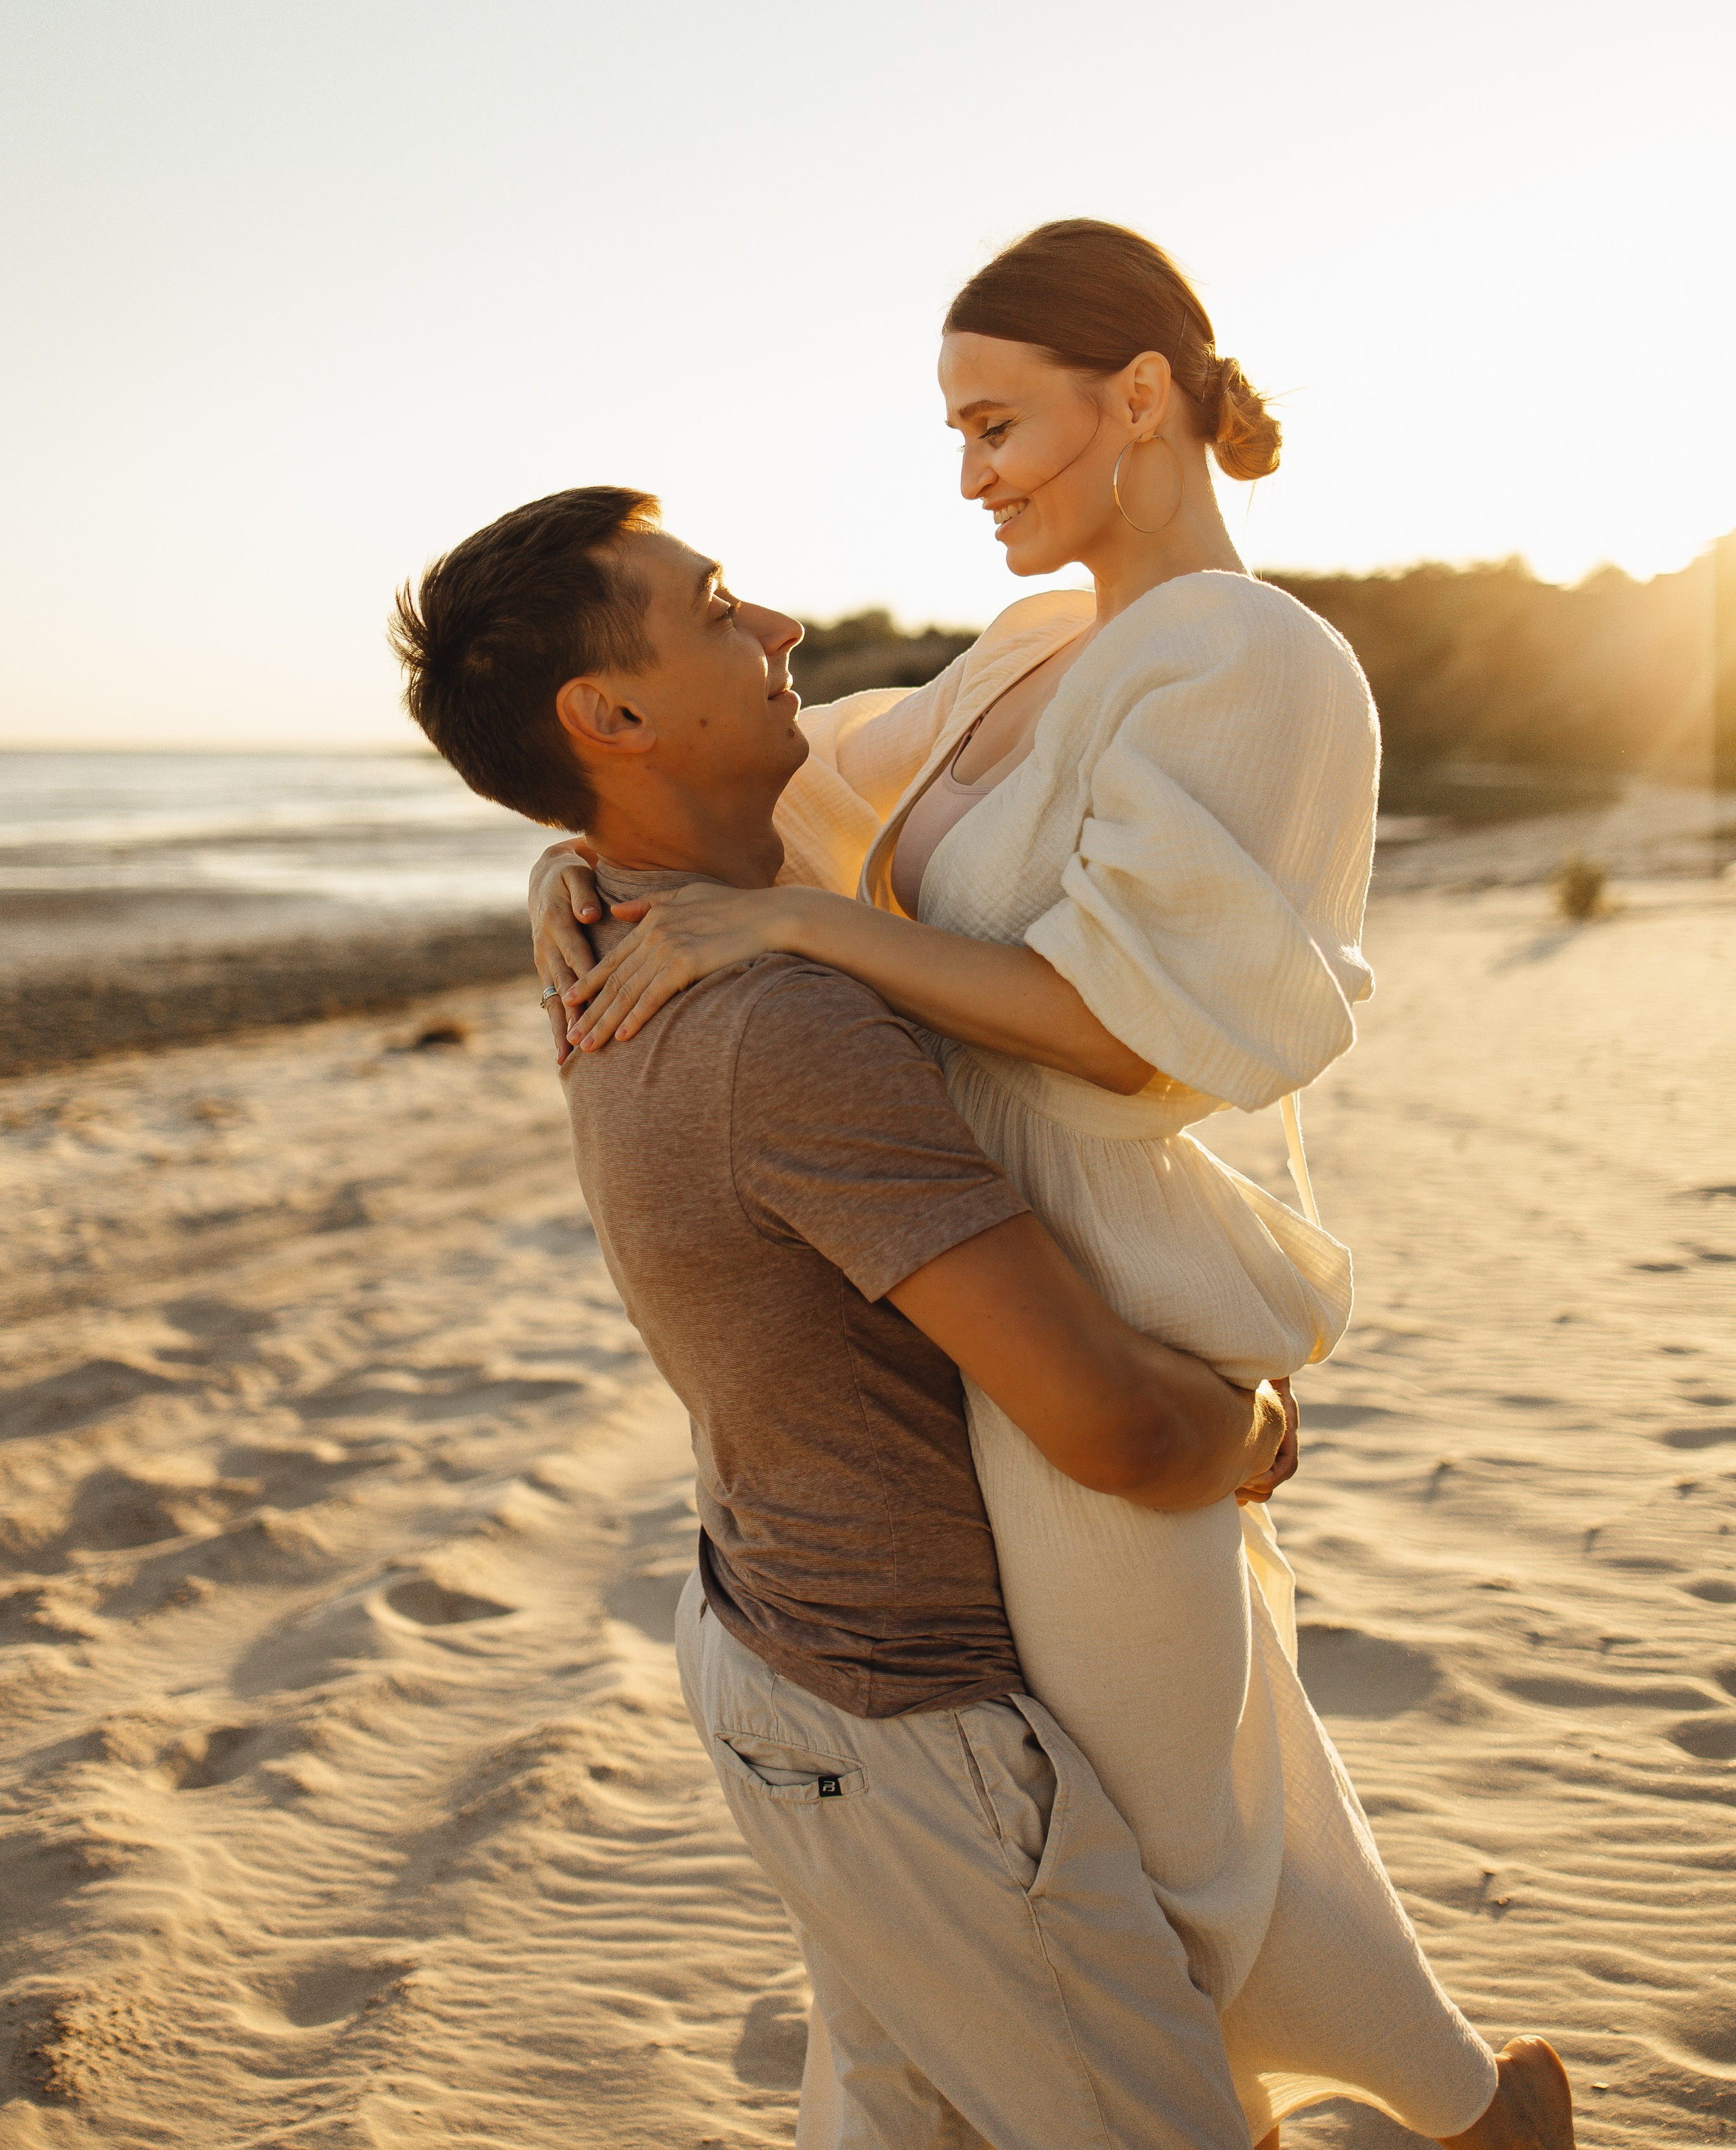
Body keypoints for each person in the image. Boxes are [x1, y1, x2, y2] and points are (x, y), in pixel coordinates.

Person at [527, 222, 1575, 2147]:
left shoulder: (1258, 662)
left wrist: (798, 941)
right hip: (962, 1264)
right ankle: (1460, 2110)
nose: (970, 473)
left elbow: (1127, 1020)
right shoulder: (1040, 645)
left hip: (1099, 1273)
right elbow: (802, 782)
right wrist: (586, 866)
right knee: (1175, 1776)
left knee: (1148, 1824)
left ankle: (1309, 2115)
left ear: (1145, 400)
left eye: (998, 422)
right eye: (955, 429)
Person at [391, 484, 1295, 2150]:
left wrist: (564, 858)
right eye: (719, 606)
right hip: (907, 1733)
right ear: (615, 716)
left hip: (774, 1655)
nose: (780, 627)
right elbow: (1109, 1425)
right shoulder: (775, 1021)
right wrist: (1260, 1429)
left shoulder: (618, 923)